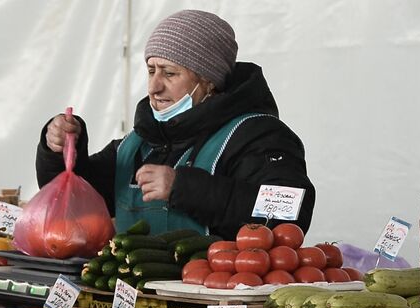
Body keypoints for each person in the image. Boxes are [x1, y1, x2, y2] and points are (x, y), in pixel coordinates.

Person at [36, 9, 316, 238]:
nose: (154, 87)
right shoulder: (137, 144)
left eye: (170, 73)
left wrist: (184, 188)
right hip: (137, 302)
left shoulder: (259, 136)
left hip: (217, 299)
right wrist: (61, 150)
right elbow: (72, 202)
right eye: (151, 71)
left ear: (209, 81)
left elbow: (289, 212)